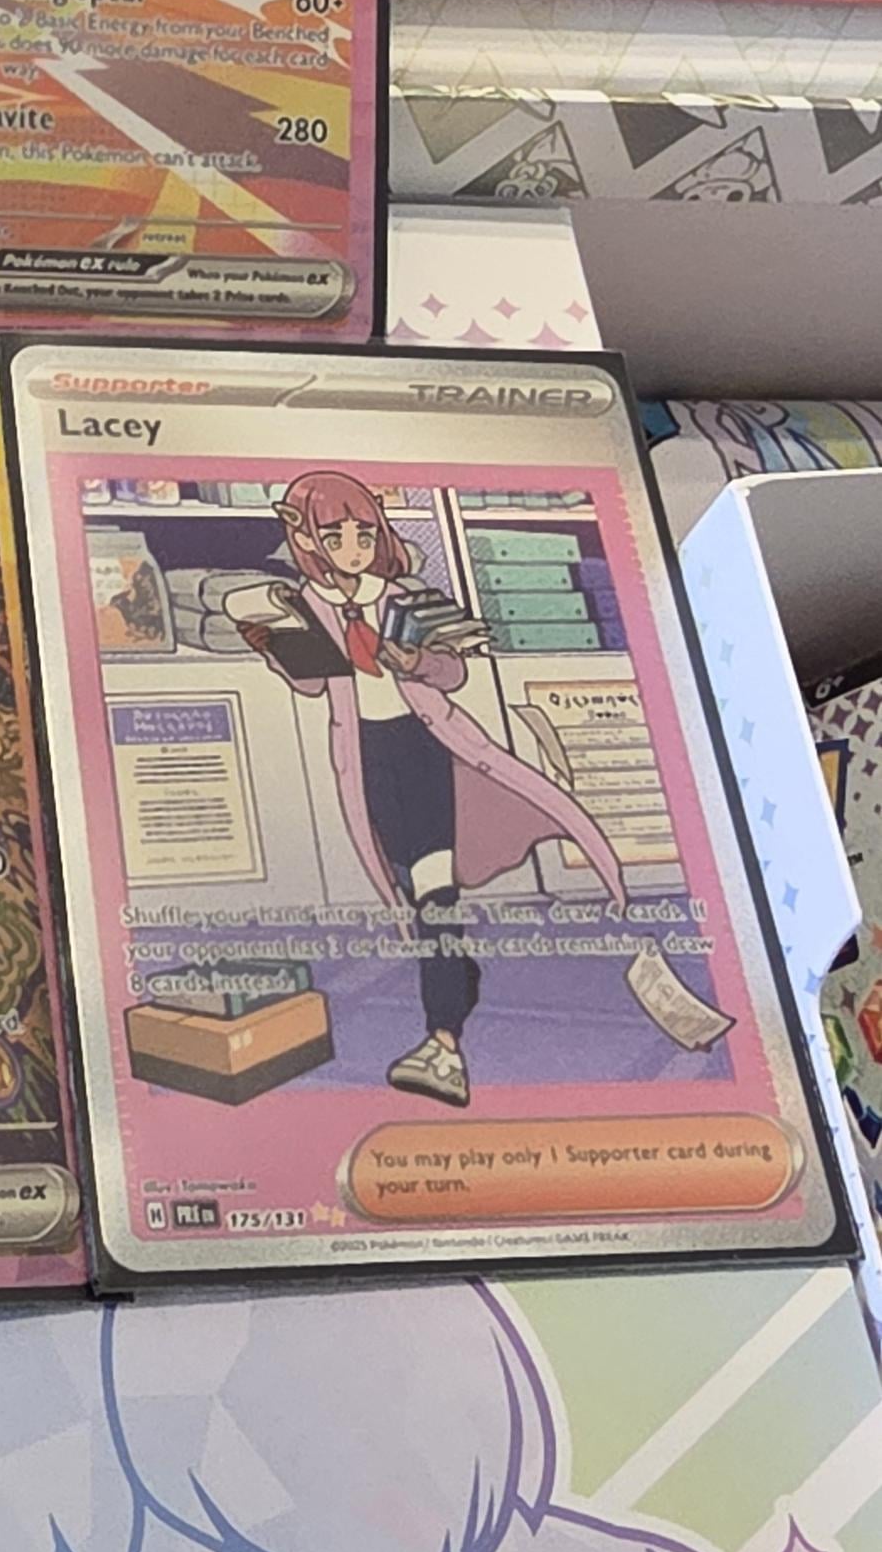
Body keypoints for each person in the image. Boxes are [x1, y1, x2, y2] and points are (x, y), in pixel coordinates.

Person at [230, 467, 629, 1109]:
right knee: (411, 892)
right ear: (308, 540)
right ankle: (457, 979)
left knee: (435, 900)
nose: (353, 548)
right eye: (337, 536)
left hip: (427, 752)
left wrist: (413, 660)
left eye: (364, 535)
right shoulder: (309, 604)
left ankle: (443, 1045)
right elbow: (314, 683)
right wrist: (273, 647)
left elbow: (451, 672)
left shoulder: (402, 598)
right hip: (367, 761)